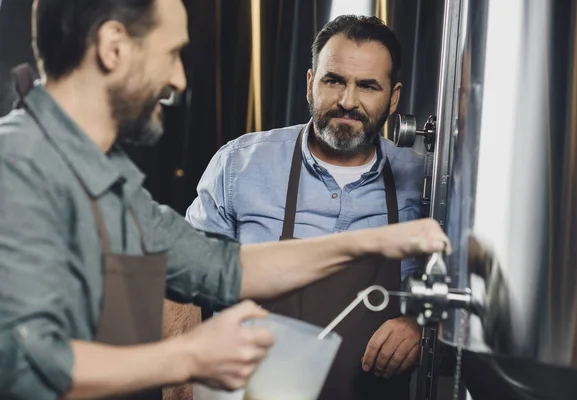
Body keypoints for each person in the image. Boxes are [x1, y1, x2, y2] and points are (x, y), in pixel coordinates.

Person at [0, 2, 450, 400]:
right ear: (114, 45)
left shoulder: (107, 179)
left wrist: (369, 244)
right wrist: (185, 359)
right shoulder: (17, 165)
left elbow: (215, 267)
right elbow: (24, 362)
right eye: (172, 52)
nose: (178, 78)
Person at [185, 15, 428, 400]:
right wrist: (180, 394)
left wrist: (420, 327)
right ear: (310, 83)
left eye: (367, 86)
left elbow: (460, 302)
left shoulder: (423, 182)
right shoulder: (240, 166)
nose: (348, 101)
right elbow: (181, 287)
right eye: (334, 81)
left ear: (393, 98)